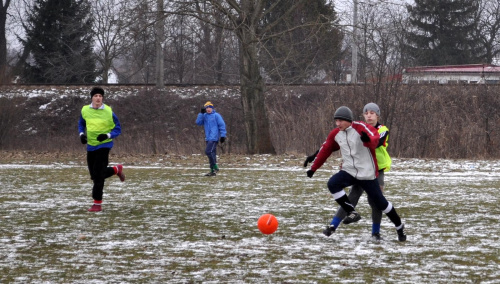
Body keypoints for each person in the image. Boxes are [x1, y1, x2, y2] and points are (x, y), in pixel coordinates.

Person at [305, 106, 406, 241]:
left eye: (372, 113)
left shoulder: (372, 128)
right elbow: (327, 147)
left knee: (378, 203)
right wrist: (314, 164)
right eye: (366, 113)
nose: (337, 123)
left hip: (371, 172)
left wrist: (367, 141)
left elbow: (376, 140)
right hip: (351, 171)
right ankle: (343, 219)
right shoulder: (338, 132)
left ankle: (397, 227)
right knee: (337, 186)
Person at [78, 87, 125, 212]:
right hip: (91, 145)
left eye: (100, 96)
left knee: (98, 175)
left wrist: (107, 135)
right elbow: (81, 123)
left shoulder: (109, 112)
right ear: (92, 98)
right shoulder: (85, 110)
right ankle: (116, 169)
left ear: (102, 98)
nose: (98, 98)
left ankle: (97, 204)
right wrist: (82, 134)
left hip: (104, 145)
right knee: (94, 175)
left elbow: (118, 129)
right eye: (95, 96)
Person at [196, 101, 227, 176]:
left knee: (208, 151)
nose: (208, 109)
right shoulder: (204, 116)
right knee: (212, 153)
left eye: (209, 107)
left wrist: (223, 136)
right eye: (207, 108)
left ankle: (215, 166)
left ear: (212, 108)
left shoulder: (216, 115)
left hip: (214, 138)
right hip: (208, 137)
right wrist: (201, 114)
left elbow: (222, 125)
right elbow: (198, 122)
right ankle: (212, 171)